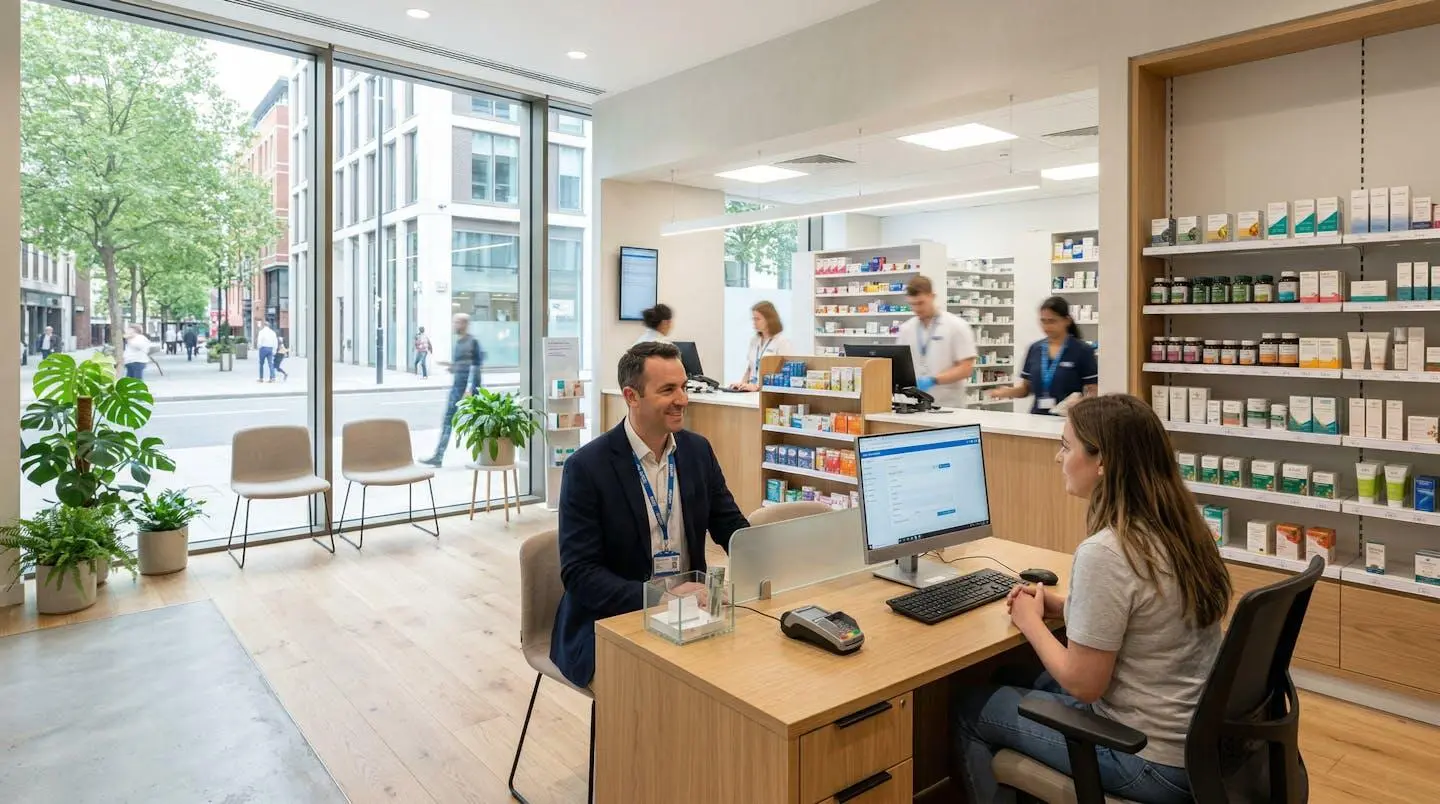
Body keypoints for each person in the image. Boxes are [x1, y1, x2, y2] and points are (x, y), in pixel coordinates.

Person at [953, 394, 1231, 804]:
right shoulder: (1184, 530)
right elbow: (1150, 618)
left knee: (970, 705)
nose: (1058, 458)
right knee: (1015, 673)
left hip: (1146, 757)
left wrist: (1029, 621)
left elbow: (1084, 685)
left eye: (1066, 446)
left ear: (1103, 463)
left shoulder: (1107, 551)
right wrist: (1067, 607)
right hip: (1199, 747)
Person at [551, 341, 750, 687]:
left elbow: (730, 525)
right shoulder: (586, 468)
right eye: (668, 390)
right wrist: (661, 598)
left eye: (684, 387)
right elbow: (580, 574)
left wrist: (764, 557)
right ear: (631, 396)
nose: (683, 399)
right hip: (615, 620)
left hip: (694, 614)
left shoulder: (697, 451)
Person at [990, 296, 1099, 414]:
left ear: (1067, 321)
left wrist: (1080, 403)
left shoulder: (1082, 350)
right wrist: (1007, 392)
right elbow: (1025, 390)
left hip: (1068, 419)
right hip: (1037, 419)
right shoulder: (1035, 349)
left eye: (1052, 321)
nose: (1047, 326)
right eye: (1043, 321)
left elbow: (1094, 392)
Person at [897, 276, 977, 408]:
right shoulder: (907, 329)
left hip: (948, 405)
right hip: (914, 406)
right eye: (912, 304)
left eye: (921, 303)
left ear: (932, 296)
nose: (916, 309)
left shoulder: (957, 326)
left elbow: (966, 369)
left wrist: (933, 380)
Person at [421, 313, 483, 467]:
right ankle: (438, 456)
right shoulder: (459, 342)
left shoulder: (473, 342)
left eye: (457, 322)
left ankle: (486, 455)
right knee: (448, 419)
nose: (454, 325)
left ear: (464, 324)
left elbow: (475, 367)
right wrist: (452, 367)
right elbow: (464, 365)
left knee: (478, 423)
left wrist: (469, 389)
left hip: (468, 391)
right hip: (457, 388)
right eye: (454, 322)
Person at [729, 300, 792, 391]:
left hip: (768, 393)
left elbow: (785, 374)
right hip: (751, 390)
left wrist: (758, 387)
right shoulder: (754, 341)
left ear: (769, 319)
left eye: (757, 319)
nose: (754, 322)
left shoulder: (782, 342)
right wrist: (741, 384)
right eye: (753, 319)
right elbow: (751, 367)